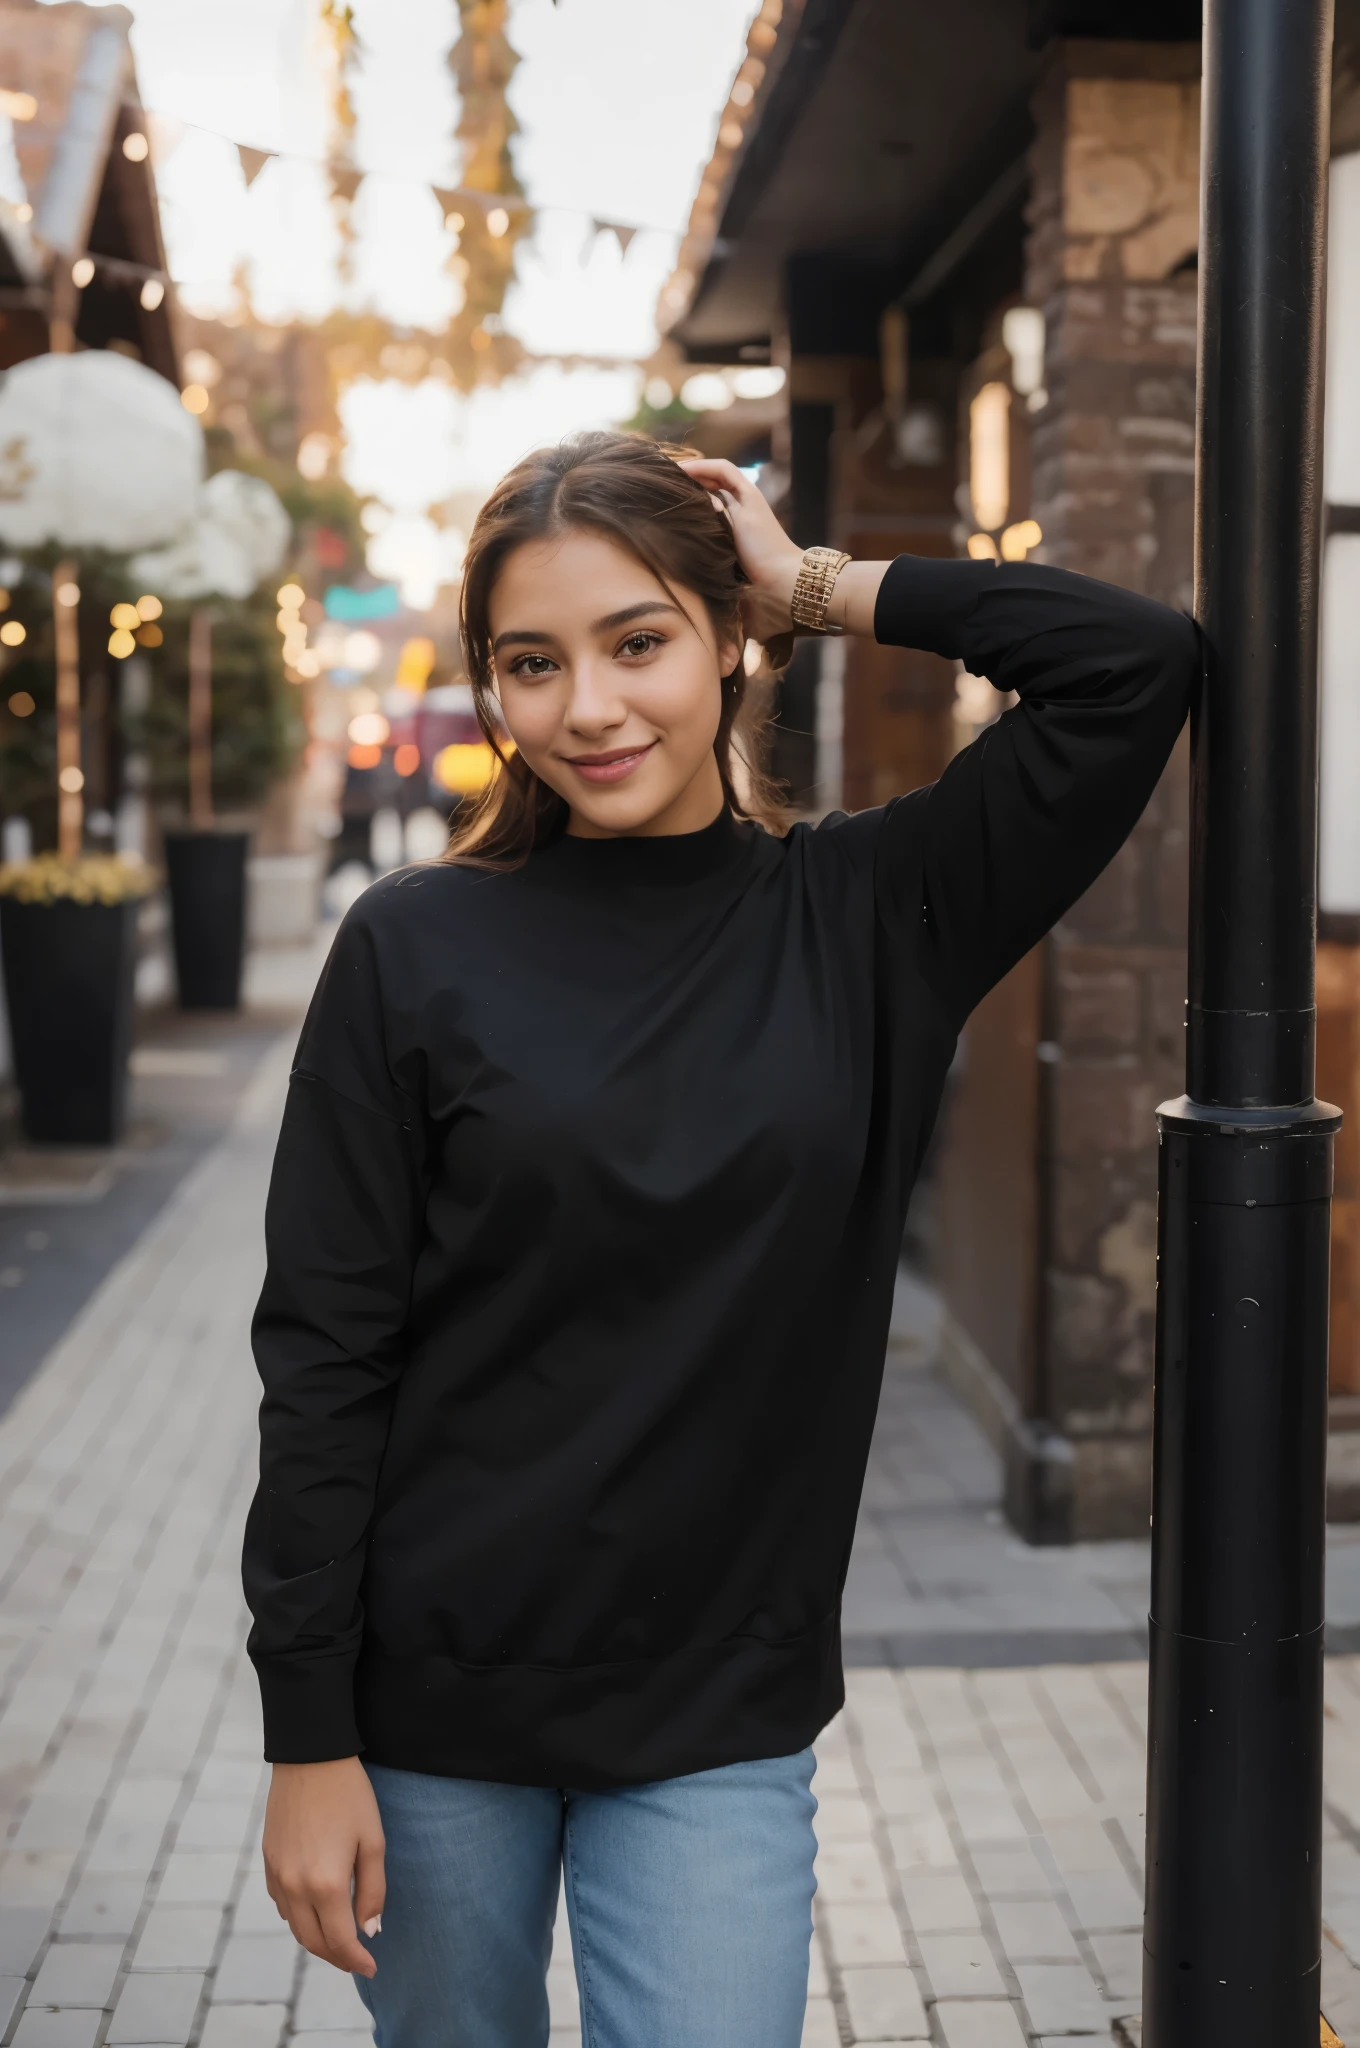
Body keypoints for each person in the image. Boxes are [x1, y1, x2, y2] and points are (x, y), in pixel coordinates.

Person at [243, 431, 1196, 2048]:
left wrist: (821, 579)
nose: (590, 710)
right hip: (434, 1702)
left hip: (717, 1713)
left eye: (640, 641)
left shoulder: (873, 918)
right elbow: (328, 1353)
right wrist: (307, 1739)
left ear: (729, 638)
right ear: (489, 687)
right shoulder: (414, 947)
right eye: (532, 664)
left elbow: (1134, 666)